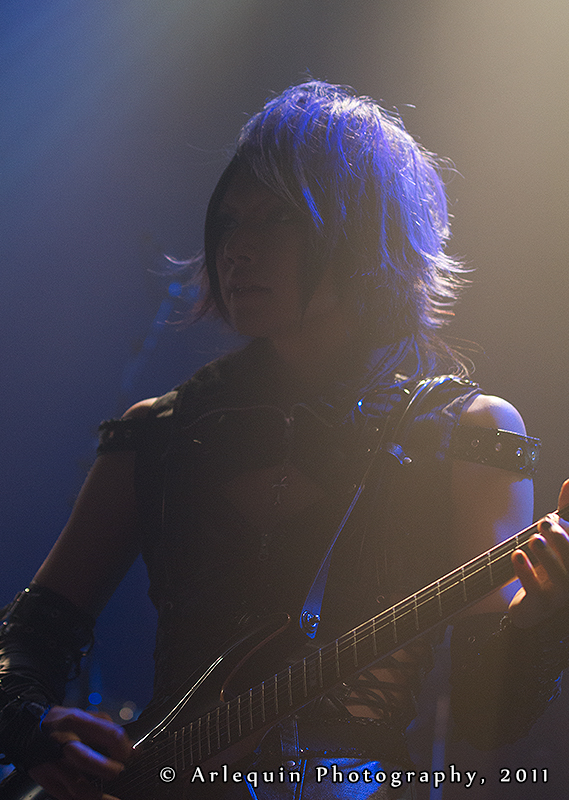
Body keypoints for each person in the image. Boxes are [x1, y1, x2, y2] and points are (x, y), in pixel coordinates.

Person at [1, 81, 569, 800]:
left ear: (367, 235)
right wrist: (33, 728)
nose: (235, 249)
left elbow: (490, 723)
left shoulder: (471, 431)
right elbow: (34, 631)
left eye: (277, 218)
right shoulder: (158, 431)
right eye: (229, 220)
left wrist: (544, 620)